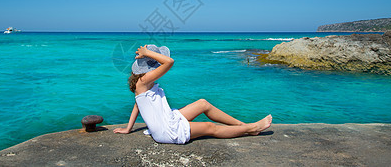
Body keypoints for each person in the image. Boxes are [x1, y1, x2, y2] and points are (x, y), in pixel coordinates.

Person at [113, 44, 272, 144]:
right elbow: (169, 62)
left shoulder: (143, 83)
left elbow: (137, 105)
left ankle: (241, 126)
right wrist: (147, 53)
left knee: (203, 103)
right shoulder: (145, 80)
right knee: (210, 128)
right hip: (165, 130)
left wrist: (128, 128)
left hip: (169, 118)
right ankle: (252, 127)